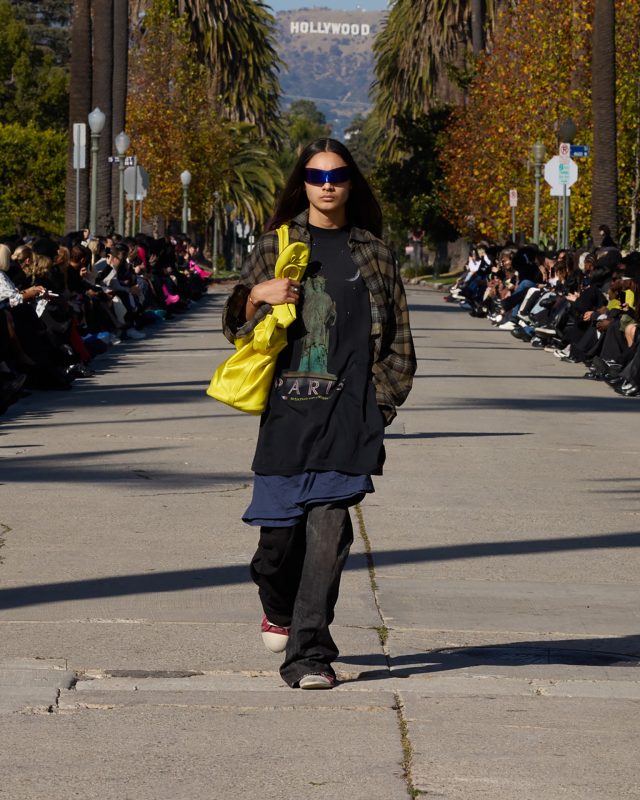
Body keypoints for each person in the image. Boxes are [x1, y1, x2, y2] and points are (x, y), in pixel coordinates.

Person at [221, 138, 416, 690]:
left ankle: (309, 655)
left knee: (328, 539)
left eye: (337, 175)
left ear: (351, 182)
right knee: (277, 547)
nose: (327, 185)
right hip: (287, 416)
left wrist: (377, 408)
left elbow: (399, 345)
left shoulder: (374, 253)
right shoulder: (277, 244)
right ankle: (278, 608)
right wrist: (256, 295)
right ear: (302, 183)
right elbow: (236, 329)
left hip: (349, 418)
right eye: (315, 175)